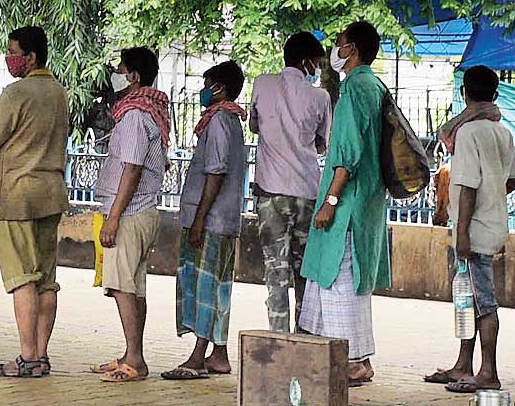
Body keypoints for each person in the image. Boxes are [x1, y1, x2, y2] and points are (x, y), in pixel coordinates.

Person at [302, 21, 392, 386]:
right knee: (340, 284)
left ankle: (352, 361)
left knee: (339, 283)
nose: (334, 51)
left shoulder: (355, 88)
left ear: (351, 49)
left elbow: (348, 155)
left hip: (347, 206)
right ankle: (350, 359)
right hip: (367, 204)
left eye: (338, 44)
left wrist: (330, 201)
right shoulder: (376, 85)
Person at [0, 25, 71, 379]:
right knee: (47, 279)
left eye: (13, 51)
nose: (9, 58)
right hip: (51, 193)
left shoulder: (16, 93)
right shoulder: (60, 93)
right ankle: (42, 356)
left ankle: (26, 357)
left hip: (17, 194)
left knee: (23, 278)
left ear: (30, 56)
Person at [431, 66, 515, 393]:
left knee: (483, 301)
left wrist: (463, 233)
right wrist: (493, 194)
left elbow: (467, 186)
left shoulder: (468, 133)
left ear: (463, 94)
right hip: (492, 225)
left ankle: (489, 372)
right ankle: (463, 365)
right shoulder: (502, 131)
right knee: (466, 297)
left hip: (474, 231)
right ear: (495, 95)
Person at [90, 47, 168, 384]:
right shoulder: (147, 112)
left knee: (123, 286)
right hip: (140, 211)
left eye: (121, 69)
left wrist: (113, 218)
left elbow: (132, 168)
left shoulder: (136, 115)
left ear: (134, 76)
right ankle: (131, 353)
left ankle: (134, 358)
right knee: (134, 287)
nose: (116, 74)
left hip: (131, 213)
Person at [168, 61, 248, 381]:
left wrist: (199, 219)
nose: (204, 90)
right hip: (224, 220)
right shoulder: (229, 121)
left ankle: (198, 356)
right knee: (218, 288)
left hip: (212, 221)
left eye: (208, 84)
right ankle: (219, 354)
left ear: (221, 88)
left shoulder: (218, 123)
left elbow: (215, 173)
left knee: (204, 287)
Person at [249, 31, 331, 333]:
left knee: (276, 269)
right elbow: (323, 144)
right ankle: (305, 333)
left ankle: (278, 336)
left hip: (270, 194)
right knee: (305, 272)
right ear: (308, 62)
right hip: (308, 193)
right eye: (318, 63)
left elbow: (254, 125)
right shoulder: (319, 96)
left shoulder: (262, 83)